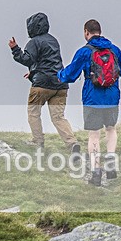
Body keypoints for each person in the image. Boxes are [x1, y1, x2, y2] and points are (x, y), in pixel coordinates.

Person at [57, 19, 121, 186]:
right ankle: (110, 161)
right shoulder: (115, 50)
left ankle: (96, 172)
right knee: (111, 129)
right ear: (100, 31)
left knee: (94, 134)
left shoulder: (84, 52)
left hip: (92, 99)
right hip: (111, 98)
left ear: (86, 32)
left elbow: (70, 75)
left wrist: (59, 75)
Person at [8, 12, 80, 158]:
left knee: (33, 112)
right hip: (60, 84)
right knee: (58, 117)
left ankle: (37, 141)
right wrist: (34, 72)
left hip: (42, 85)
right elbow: (49, 62)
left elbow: (27, 59)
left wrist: (15, 49)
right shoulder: (53, 40)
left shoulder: (34, 42)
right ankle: (72, 143)